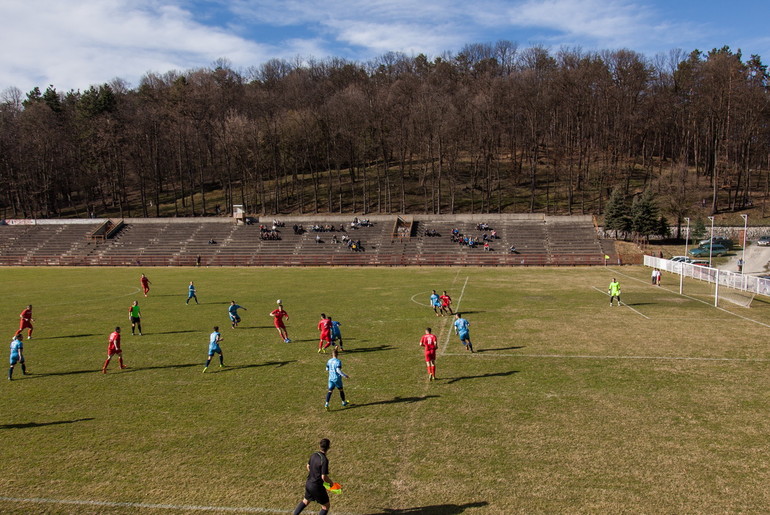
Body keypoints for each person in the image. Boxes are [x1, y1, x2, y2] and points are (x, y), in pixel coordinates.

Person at [292, 438, 335, 515]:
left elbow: (308, 466)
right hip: (317, 486)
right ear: (328, 447)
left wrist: (314, 473)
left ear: (320, 446)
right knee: (326, 506)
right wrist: (332, 484)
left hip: (309, 483)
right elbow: (323, 477)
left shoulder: (314, 455)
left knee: (305, 501)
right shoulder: (324, 460)